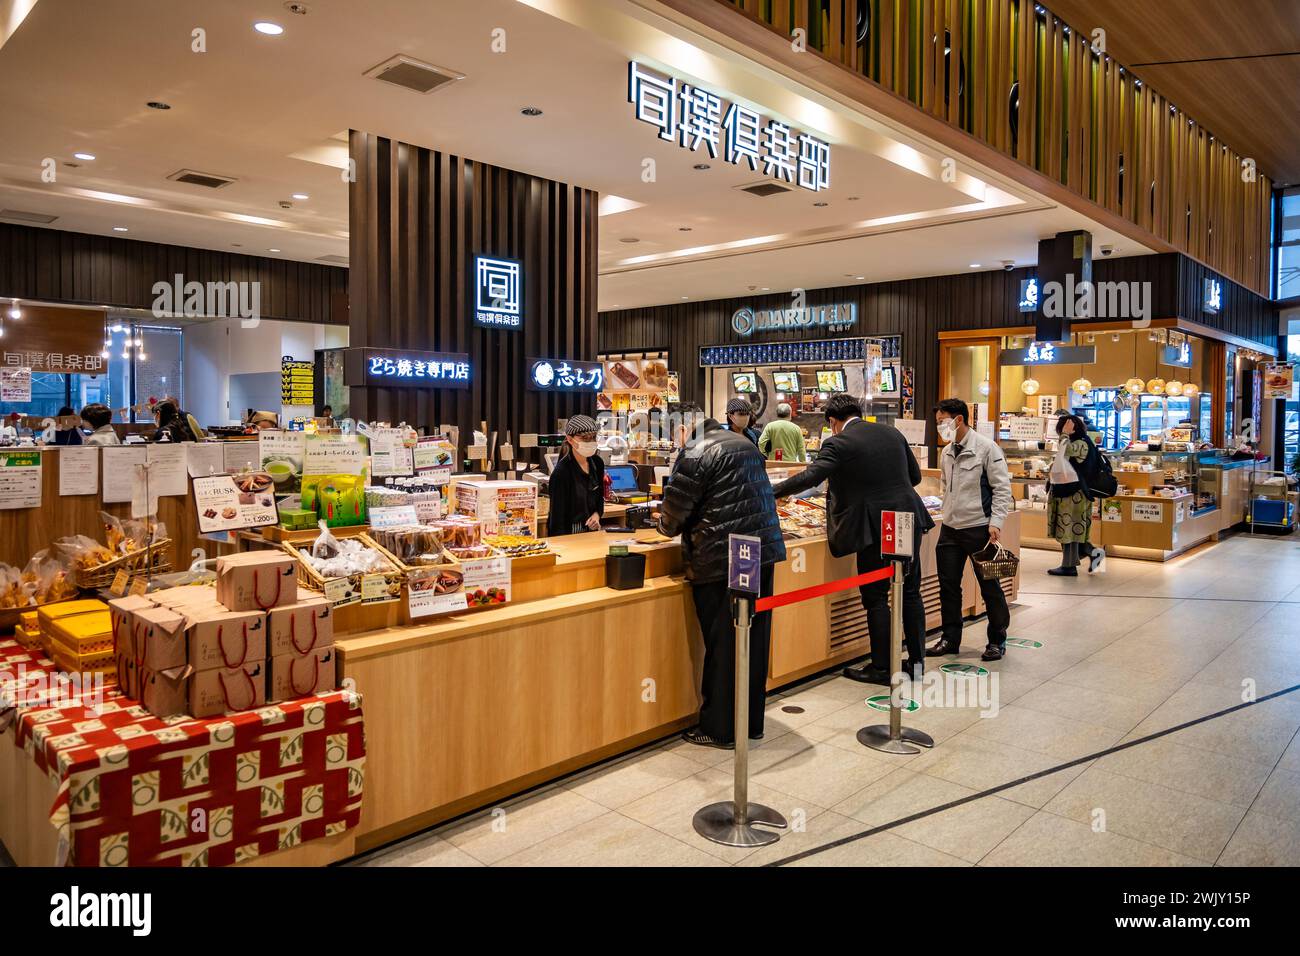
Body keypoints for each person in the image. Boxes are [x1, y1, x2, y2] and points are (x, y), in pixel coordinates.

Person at [772, 393, 933, 683]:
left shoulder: (838, 442)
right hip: (906, 519)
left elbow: (811, 476)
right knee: (910, 591)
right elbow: (915, 476)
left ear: (833, 422)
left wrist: (769, 493)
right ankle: (918, 664)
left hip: (872, 526)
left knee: (875, 597)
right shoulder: (890, 432)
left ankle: (882, 667)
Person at [656, 403, 786, 749]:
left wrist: (662, 525)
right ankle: (750, 722)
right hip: (757, 552)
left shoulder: (696, 451)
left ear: (683, 425)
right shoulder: (744, 443)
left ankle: (719, 727)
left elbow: (675, 511)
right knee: (752, 639)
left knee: (722, 642)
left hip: (719, 557)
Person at [926, 399, 1013, 662]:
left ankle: (997, 640)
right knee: (948, 587)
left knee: (990, 587)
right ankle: (950, 638)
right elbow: (944, 485)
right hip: (950, 529)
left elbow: (1001, 489)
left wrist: (996, 522)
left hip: (979, 530)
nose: (940, 426)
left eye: (943, 420)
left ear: (959, 419)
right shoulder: (946, 452)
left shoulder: (987, 449)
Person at [1046, 413, 1103, 575]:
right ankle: (1093, 553)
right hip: (1074, 492)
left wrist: (1065, 433)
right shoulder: (1083, 442)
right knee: (1071, 529)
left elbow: (1065, 452)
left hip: (1074, 494)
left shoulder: (1080, 443)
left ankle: (1069, 566)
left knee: (1068, 528)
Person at [546, 415, 605, 536]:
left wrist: (597, 514)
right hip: (568, 535)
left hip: (591, 534)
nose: (590, 442)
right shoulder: (561, 473)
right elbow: (557, 519)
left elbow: (599, 498)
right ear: (570, 439)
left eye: (593, 438)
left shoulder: (597, 463)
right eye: (585, 438)